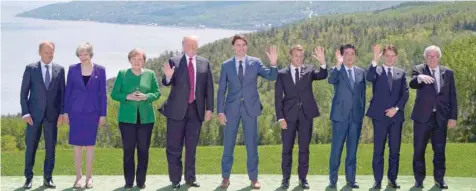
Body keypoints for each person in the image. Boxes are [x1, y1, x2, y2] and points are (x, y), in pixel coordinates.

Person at [216, 34, 278, 189]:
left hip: (250, 109)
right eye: (238, 45)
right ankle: (225, 178)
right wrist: (220, 111)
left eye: (243, 45)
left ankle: (254, 178)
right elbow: (221, 90)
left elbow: (271, 76)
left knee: (251, 146)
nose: (241, 47)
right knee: (228, 145)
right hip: (231, 110)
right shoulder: (226, 65)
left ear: (246, 46)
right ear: (233, 47)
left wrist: (273, 63)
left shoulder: (255, 63)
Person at [158, 36, 214, 189]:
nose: (191, 47)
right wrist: (168, 76)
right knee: (174, 147)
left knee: (191, 148)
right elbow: (165, 81)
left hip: (196, 112)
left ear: (197, 46)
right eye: (188, 44)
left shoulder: (205, 63)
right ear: (183, 46)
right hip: (176, 111)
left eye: (194, 44)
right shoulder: (174, 61)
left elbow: (209, 88)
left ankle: (190, 178)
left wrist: (209, 108)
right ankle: (175, 180)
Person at [274, 44, 327, 190]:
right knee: (287, 149)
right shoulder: (282, 73)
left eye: (301, 56)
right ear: (290, 56)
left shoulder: (309, 70)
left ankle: (303, 179)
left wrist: (322, 63)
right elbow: (278, 98)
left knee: (304, 149)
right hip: (288, 117)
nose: (299, 59)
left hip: (306, 116)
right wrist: (280, 118)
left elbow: (322, 75)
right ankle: (285, 179)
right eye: (296, 56)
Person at [110, 48, 161, 190]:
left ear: (144, 61)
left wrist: (147, 97)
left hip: (146, 120)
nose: (137, 62)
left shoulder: (150, 74)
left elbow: (157, 93)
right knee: (128, 151)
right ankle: (128, 182)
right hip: (126, 120)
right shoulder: (122, 74)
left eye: (140, 59)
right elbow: (114, 94)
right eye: (134, 59)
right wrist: (127, 96)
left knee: (143, 151)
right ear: (130, 60)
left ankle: (140, 181)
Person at [409, 45, 457, 189]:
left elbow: (452, 96)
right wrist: (419, 78)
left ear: (439, 57)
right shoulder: (418, 70)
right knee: (418, 150)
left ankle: (439, 179)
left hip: (441, 118)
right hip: (422, 118)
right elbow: (411, 84)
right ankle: (419, 180)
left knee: (440, 150)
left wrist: (453, 117)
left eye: (434, 56)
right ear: (425, 58)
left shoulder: (448, 73)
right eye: (429, 56)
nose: (432, 58)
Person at [20, 41, 65, 189]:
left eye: (51, 52)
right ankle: (28, 178)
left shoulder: (60, 69)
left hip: (52, 116)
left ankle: (48, 178)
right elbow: (23, 93)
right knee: (31, 147)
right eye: (46, 52)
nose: (49, 54)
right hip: (33, 117)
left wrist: (62, 114)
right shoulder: (30, 69)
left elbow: (62, 95)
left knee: (51, 149)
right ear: (40, 53)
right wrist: (25, 113)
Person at [63, 42, 107, 188]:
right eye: (80, 54)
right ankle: (78, 178)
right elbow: (67, 92)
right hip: (75, 113)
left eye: (85, 54)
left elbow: (103, 95)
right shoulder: (72, 69)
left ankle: (89, 178)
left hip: (92, 114)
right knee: (77, 147)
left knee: (89, 146)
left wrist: (103, 114)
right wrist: (65, 112)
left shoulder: (100, 70)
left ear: (90, 54)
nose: (82, 57)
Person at [366, 44, 409, 189]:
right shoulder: (376, 70)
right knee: (378, 150)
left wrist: (396, 109)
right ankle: (377, 181)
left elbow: (405, 94)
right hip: (379, 117)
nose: (390, 58)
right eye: (387, 56)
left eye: (392, 56)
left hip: (396, 117)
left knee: (395, 151)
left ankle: (392, 179)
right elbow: (369, 77)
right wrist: (374, 60)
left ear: (396, 57)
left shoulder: (401, 73)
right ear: (383, 56)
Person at [327, 44, 366, 189]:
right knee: (336, 150)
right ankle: (333, 180)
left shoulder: (361, 72)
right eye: (347, 54)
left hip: (356, 118)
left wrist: (361, 113)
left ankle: (351, 180)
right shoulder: (336, 70)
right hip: (340, 117)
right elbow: (331, 80)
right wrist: (338, 64)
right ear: (342, 56)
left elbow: (363, 95)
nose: (349, 56)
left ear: (355, 56)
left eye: (352, 53)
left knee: (352, 151)